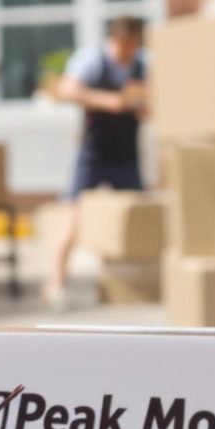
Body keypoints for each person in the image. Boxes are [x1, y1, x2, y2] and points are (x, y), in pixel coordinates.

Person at [40, 16, 149, 304]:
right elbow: (65, 89)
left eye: (133, 45)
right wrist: (110, 102)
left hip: (126, 154)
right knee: (71, 220)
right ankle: (56, 285)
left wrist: (142, 107)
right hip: (93, 153)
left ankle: (128, 287)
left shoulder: (144, 63)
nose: (127, 51)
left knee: (136, 222)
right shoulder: (91, 60)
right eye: (123, 45)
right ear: (114, 40)